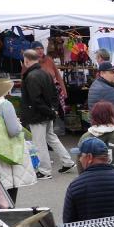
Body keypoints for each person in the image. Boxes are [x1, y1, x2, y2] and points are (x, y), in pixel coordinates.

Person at [20, 50, 75, 179]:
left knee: (40, 143)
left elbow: (35, 100)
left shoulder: (31, 76)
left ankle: (45, 171)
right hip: (47, 112)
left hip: (38, 114)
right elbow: (55, 93)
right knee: (51, 137)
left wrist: (50, 111)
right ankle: (67, 162)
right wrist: (53, 110)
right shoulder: (45, 73)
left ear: (26, 60)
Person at [63, 137, 114, 223]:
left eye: (81, 155)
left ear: (89, 157)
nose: (79, 160)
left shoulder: (76, 186)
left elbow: (68, 224)